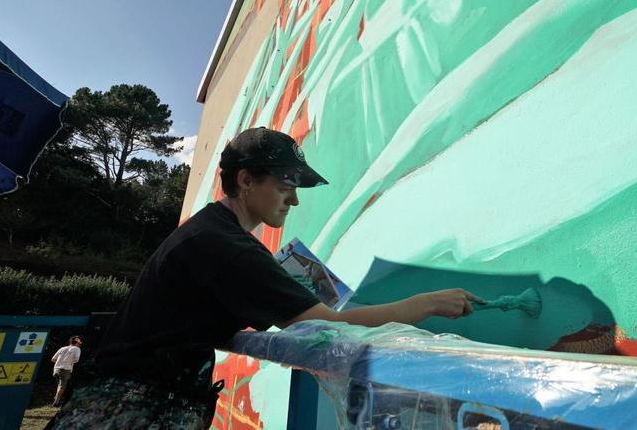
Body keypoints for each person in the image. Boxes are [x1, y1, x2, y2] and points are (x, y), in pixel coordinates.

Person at [46, 127, 480, 429]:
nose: (293, 198)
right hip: (135, 408)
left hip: (126, 397)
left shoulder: (212, 232)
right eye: (284, 183)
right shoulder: (226, 247)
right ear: (246, 180)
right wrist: (423, 304)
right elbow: (324, 323)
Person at [50, 336, 82, 406]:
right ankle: (56, 402)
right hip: (65, 369)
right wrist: (68, 362)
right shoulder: (77, 349)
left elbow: (53, 359)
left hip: (56, 369)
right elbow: (76, 360)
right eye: (80, 342)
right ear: (77, 343)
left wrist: (61, 361)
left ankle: (58, 399)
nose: (80, 343)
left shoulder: (62, 348)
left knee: (60, 385)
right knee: (62, 386)